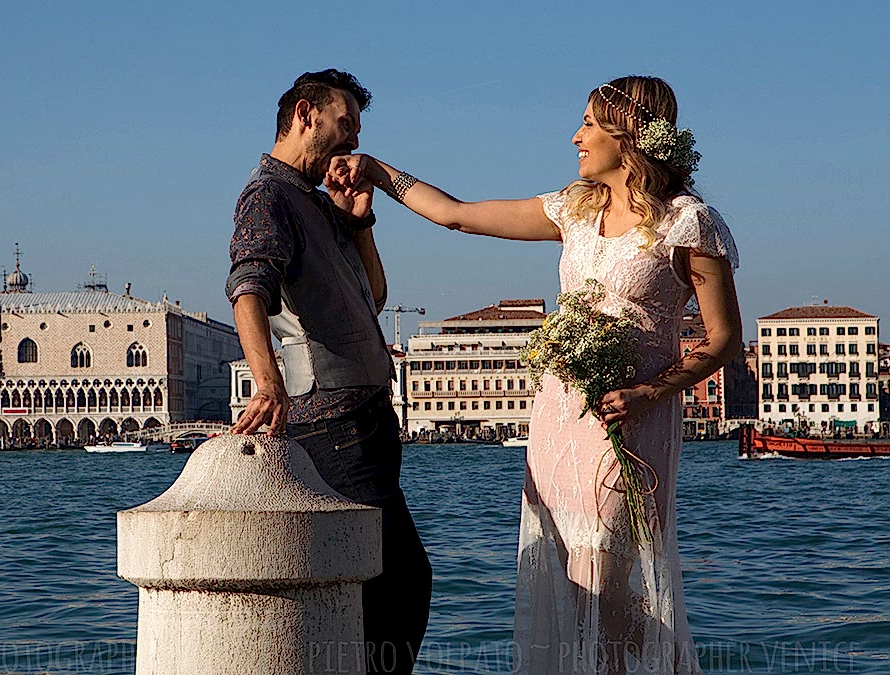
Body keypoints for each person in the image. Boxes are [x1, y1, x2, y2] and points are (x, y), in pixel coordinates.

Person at [330, 75, 741, 675]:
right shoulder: (576, 210)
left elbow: (725, 339)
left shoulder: (688, 225)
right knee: (566, 562)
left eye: (589, 125)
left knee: (607, 561)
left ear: (629, 134)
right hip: (559, 416)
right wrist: (377, 172)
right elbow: (457, 215)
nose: (576, 136)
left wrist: (650, 391)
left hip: (633, 419)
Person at [225, 69, 432, 674]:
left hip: (366, 421)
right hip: (332, 421)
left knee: (380, 584)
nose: (352, 146)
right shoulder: (267, 196)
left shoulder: (319, 203)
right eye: (344, 128)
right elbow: (248, 287)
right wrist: (267, 383)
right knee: (400, 582)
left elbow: (375, 294)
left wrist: (360, 219)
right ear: (304, 115)